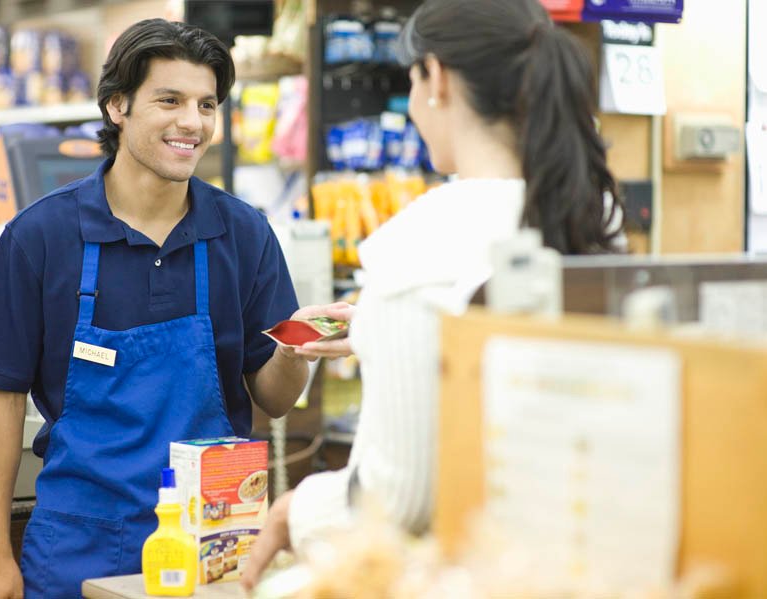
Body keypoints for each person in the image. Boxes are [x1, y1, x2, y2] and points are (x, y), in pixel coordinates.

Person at [241, 0, 624, 589]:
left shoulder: (423, 243)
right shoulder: (592, 218)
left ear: (437, 78)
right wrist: (374, 327)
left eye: (411, 81)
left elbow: (398, 501)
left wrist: (301, 510)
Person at [0, 19, 311, 599]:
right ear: (117, 105)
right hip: (79, 541)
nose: (192, 123)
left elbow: (274, 397)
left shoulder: (244, 234)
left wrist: (298, 348)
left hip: (215, 543)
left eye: (206, 104)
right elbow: (0, 396)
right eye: (169, 100)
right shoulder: (40, 236)